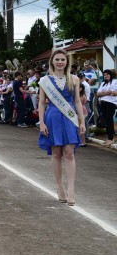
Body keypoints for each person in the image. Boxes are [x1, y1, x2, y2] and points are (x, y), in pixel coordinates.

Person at [38, 49, 85, 207]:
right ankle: (60, 188)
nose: (60, 62)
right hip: (52, 117)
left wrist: (82, 122)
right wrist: (41, 122)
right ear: (52, 61)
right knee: (56, 153)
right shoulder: (45, 80)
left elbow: (77, 101)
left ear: (67, 62)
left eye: (62, 60)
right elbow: (41, 102)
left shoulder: (74, 79)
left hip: (69, 117)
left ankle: (71, 190)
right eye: (57, 59)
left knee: (69, 153)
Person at [96, 69, 117, 146]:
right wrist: (108, 92)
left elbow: (114, 93)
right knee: (105, 120)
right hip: (103, 103)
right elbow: (98, 93)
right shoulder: (103, 83)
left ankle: (110, 138)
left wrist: (104, 93)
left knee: (109, 120)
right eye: (104, 75)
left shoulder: (115, 82)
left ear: (111, 75)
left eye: (107, 74)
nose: (106, 76)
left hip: (111, 103)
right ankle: (109, 136)